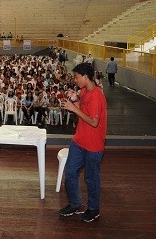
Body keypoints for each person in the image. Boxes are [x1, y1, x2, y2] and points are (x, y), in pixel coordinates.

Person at [59, 63, 107, 222]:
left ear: (86, 77)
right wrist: (76, 100)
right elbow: (84, 110)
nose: (75, 80)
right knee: (70, 171)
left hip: (93, 144)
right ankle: (75, 204)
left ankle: (94, 208)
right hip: (79, 140)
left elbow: (94, 122)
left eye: (77, 77)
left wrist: (73, 108)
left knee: (91, 178)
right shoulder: (85, 91)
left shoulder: (97, 96)